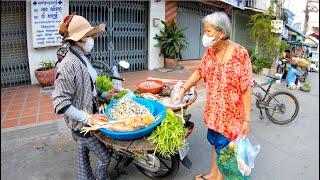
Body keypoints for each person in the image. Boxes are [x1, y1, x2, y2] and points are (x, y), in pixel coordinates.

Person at [172, 12, 253, 180]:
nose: (204, 35)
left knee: (225, 152)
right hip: (214, 113)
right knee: (215, 146)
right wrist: (183, 89)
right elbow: (199, 71)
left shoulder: (240, 54)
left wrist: (246, 120)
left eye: (208, 31)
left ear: (221, 33)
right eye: (205, 30)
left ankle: (218, 177)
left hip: (231, 117)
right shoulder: (210, 52)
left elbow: (246, 88)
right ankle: (212, 174)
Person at [52, 15, 111, 180]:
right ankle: (101, 177)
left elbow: (88, 88)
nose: (91, 39)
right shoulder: (68, 65)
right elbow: (61, 103)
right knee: (104, 157)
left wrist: (105, 94)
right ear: (77, 40)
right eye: (88, 36)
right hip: (81, 124)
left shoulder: (83, 57)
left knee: (82, 153)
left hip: (89, 115)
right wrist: (89, 118)